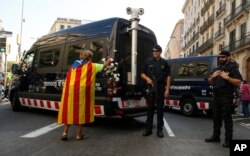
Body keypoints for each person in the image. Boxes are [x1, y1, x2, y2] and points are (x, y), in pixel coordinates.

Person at [57, 49, 112, 141]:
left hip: (71, 92)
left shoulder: (74, 66)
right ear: (90, 58)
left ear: (80, 57)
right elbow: (105, 65)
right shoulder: (93, 66)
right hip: (83, 93)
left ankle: (65, 133)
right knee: (81, 112)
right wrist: (109, 59)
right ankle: (79, 135)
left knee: (70, 110)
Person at [205, 50, 242, 148]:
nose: (221, 59)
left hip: (226, 96)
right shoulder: (217, 68)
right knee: (216, 117)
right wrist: (212, 77)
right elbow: (210, 82)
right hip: (216, 96)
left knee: (227, 118)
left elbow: (238, 82)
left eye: (223, 57)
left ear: (228, 57)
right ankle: (215, 136)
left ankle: (228, 140)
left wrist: (227, 77)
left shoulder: (233, 67)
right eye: (220, 57)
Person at [141, 44, 171, 138]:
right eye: (153, 51)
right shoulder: (148, 61)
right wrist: (147, 79)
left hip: (161, 88)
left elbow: (168, 76)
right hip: (151, 88)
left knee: (160, 110)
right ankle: (148, 129)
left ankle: (159, 130)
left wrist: (167, 89)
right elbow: (142, 73)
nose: (154, 53)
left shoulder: (164, 63)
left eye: (156, 51)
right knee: (150, 110)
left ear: (160, 52)